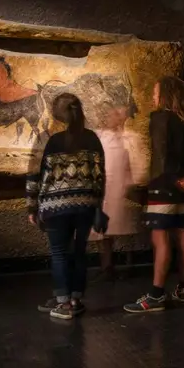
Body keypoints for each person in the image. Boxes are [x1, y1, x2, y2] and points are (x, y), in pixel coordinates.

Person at [124, 76, 184, 313]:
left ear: (166, 95)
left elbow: (163, 154)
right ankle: (183, 288)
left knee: (161, 239)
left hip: (164, 186)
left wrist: (176, 178)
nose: (153, 96)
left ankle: (156, 295)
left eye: (156, 92)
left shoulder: (160, 118)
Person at [27, 93, 106, 320]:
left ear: (55, 114)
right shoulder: (92, 139)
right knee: (79, 252)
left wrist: (32, 207)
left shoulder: (48, 139)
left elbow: (34, 174)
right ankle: (75, 300)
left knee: (59, 253)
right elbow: (100, 176)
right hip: (85, 205)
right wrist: (97, 204)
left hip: (55, 206)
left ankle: (63, 302)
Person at [91, 101, 143, 277]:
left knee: (116, 228)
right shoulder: (98, 137)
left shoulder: (129, 137)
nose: (117, 117)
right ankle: (106, 266)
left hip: (120, 190)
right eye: (112, 114)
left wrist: (130, 184)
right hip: (103, 189)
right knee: (102, 230)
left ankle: (119, 263)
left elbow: (132, 164)